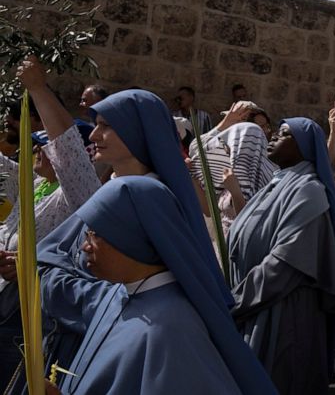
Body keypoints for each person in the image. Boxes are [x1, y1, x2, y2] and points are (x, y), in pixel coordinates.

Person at [38, 88, 231, 380]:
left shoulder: (158, 204)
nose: (93, 135)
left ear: (138, 131)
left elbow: (145, 287)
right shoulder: (111, 188)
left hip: (123, 335)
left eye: (106, 126)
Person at [37, 177, 276, 394]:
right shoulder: (121, 292)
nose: (84, 247)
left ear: (133, 236)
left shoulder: (173, 331)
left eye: (95, 235)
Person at [228, 118, 335, 394]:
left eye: (284, 135)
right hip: (254, 306)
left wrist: (234, 301)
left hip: (283, 314)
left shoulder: (308, 191)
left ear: (304, 147)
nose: (272, 138)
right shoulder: (275, 185)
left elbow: (285, 265)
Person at [0, 58, 101, 388]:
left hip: (27, 318)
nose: (39, 151)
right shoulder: (33, 183)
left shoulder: (75, 196)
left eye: (46, 146)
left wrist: (38, 89)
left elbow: (69, 153)